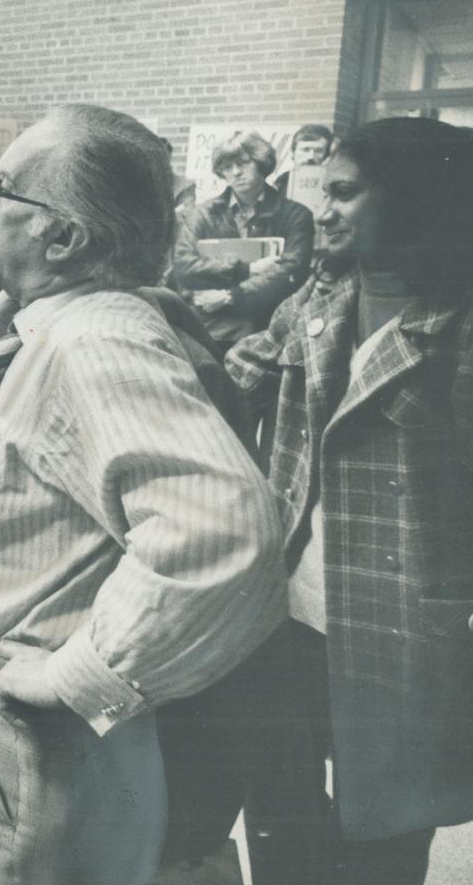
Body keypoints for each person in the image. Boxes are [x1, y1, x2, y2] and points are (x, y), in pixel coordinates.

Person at [0, 105, 284, 885]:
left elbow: (222, 534)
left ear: (66, 237)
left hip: (22, 720)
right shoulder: (57, 325)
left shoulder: (98, 339)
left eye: (1, 190)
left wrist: (77, 679)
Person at [226, 117, 473, 885]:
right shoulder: (321, 293)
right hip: (290, 610)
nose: (322, 210)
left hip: (406, 627)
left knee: (383, 838)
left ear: (414, 201)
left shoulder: (458, 326)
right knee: (279, 816)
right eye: (320, 190)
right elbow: (240, 374)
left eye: (344, 192)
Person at [171, 131, 315, 351]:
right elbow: (183, 267)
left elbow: (290, 272)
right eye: (227, 167)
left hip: (269, 329)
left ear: (261, 163)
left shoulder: (295, 215)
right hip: (210, 330)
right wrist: (246, 269)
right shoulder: (201, 215)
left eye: (244, 163)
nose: (236, 172)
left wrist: (230, 295)